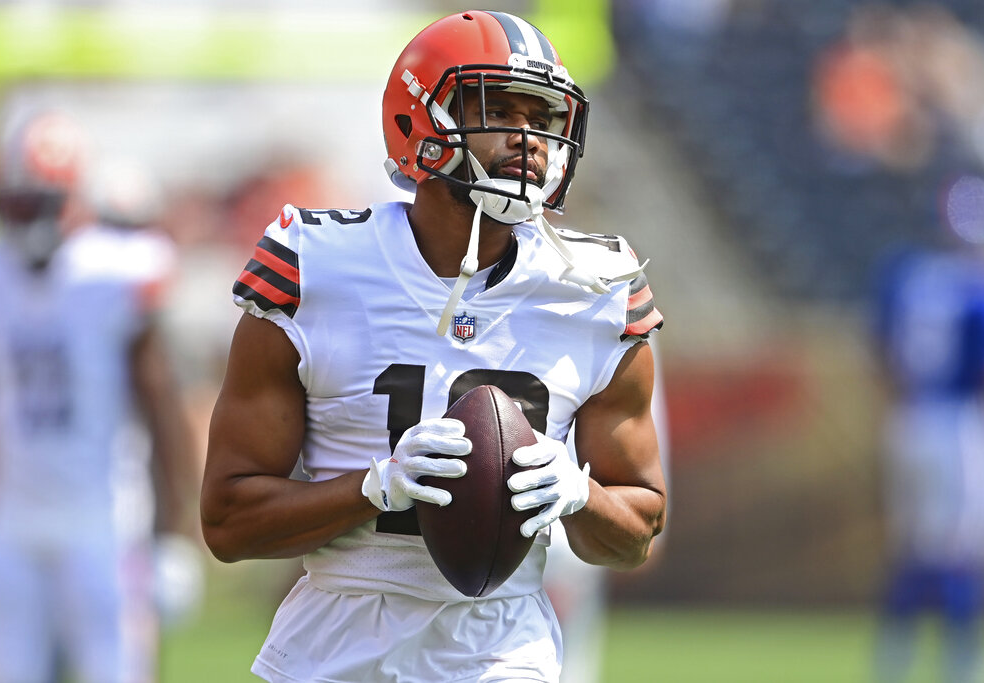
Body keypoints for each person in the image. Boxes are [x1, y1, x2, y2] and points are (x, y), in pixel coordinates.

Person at [200, 10, 668, 682]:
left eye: (542, 118)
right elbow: (228, 521)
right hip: (335, 639)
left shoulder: (592, 290)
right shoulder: (314, 266)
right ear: (419, 121)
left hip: (501, 645)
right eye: (498, 109)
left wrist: (577, 494)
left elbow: (635, 531)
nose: (528, 138)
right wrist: (374, 487)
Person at [0, 106, 198, 683]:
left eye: (34, 200)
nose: (24, 216)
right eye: (14, 201)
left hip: (104, 522)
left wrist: (173, 534)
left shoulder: (114, 274)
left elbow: (161, 404)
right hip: (10, 521)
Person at [871, 233, 984, 683]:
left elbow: (880, 350)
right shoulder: (973, 287)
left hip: (905, 418)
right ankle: (959, 669)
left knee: (912, 552)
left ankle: (891, 664)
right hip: (954, 423)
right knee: (960, 554)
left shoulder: (908, 277)